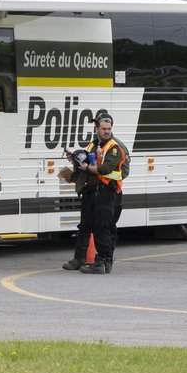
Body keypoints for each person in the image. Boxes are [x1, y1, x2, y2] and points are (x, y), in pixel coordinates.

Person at [60, 111, 126, 274]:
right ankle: (79, 259)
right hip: (91, 191)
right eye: (103, 128)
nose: (107, 131)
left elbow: (105, 168)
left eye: (109, 128)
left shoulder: (114, 148)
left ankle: (102, 262)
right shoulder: (92, 144)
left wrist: (87, 167)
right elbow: (86, 162)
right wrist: (75, 160)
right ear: (96, 128)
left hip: (106, 192)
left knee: (102, 227)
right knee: (84, 226)